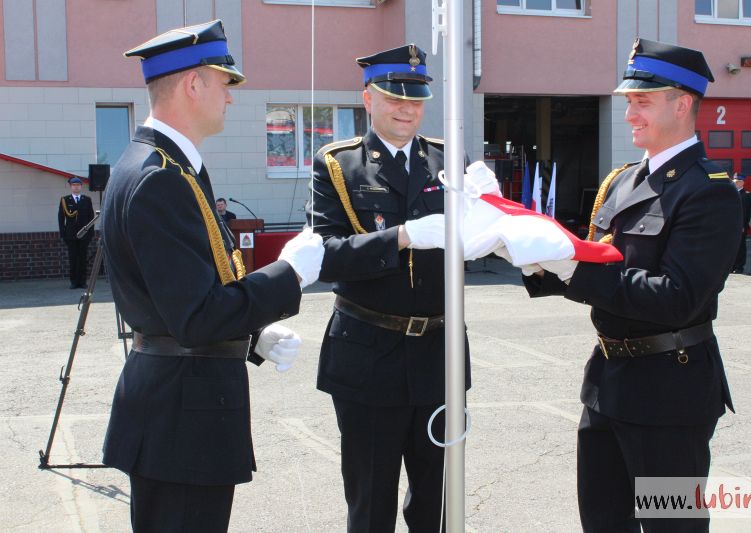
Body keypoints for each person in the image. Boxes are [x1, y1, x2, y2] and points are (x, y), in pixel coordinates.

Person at [100, 20, 324, 533]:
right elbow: (195, 318)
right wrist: (288, 274)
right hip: (182, 418)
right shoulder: (161, 178)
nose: (230, 97)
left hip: (179, 410)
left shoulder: (164, 166)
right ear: (192, 84)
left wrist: (251, 333)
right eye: (224, 82)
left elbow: (185, 295)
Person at [517, 38, 740, 532]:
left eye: (642, 102)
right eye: (629, 102)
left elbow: (678, 297)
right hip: (607, 383)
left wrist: (574, 271)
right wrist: (538, 261)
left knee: (672, 526)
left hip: (670, 392)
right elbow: (601, 260)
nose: (629, 115)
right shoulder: (623, 180)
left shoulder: (709, 191)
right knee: (603, 523)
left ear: (681, 104)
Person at [306, 44, 464, 532]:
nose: (406, 109)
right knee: (371, 503)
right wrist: (400, 237)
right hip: (369, 355)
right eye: (394, 98)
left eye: (416, 100)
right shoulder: (339, 164)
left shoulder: (447, 159)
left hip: (439, 353)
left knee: (437, 502)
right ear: (368, 99)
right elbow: (325, 255)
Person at [57, 176, 95, 288]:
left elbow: (91, 217)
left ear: (81, 186)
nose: (76, 187)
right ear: (70, 186)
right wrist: (63, 234)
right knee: (73, 258)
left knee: (83, 258)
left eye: (78, 185)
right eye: (74, 185)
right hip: (71, 235)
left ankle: (83, 282)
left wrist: (90, 234)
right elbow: (61, 218)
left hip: (84, 234)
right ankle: (74, 282)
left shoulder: (87, 200)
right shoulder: (65, 200)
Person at [731, 172, 751, 273]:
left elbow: (747, 212)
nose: (735, 182)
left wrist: (744, 225)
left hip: (741, 225)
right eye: (734, 181)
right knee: (731, 246)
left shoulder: (746, 195)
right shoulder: (730, 193)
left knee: (740, 246)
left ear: (742, 182)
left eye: (738, 181)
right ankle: (732, 266)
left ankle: (739, 266)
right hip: (731, 225)